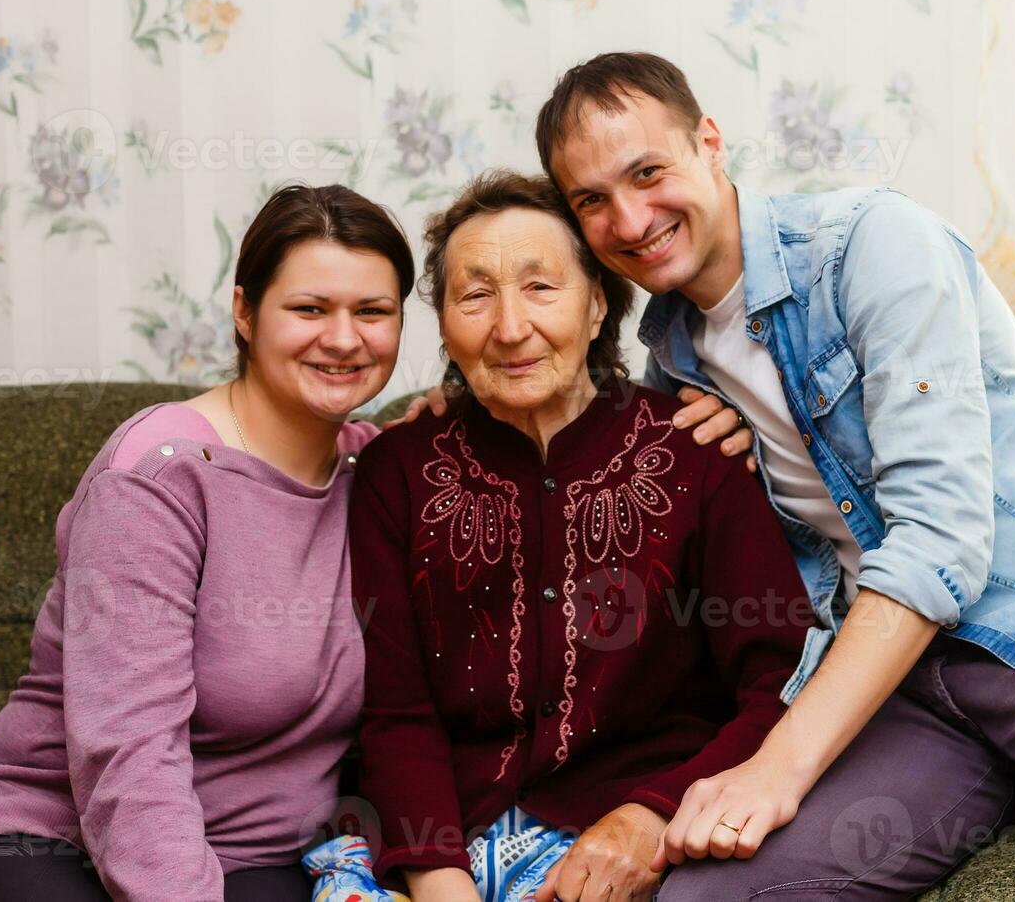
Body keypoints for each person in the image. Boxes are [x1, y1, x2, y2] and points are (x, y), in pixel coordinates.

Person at [423, 52, 1015, 901]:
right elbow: (572, 440)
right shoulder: (672, 360)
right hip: (913, 686)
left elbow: (939, 538)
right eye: (591, 201)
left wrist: (775, 771)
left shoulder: (874, 245)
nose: (631, 220)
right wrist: (456, 413)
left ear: (709, 143)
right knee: (704, 897)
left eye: (648, 173)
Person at [0, 184, 419, 901]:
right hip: (57, 846)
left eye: (373, 312)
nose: (345, 338)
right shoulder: (157, 476)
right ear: (244, 311)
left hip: (265, 862)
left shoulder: (380, 471)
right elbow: (128, 750)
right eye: (310, 308)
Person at [344, 169, 813, 902]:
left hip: (629, 842)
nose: (508, 327)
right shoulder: (395, 469)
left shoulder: (696, 457)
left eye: (541, 288)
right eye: (474, 295)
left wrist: (655, 812)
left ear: (598, 304)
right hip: (433, 845)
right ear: (440, 323)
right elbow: (394, 710)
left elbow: (778, 680)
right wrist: (440, 880)